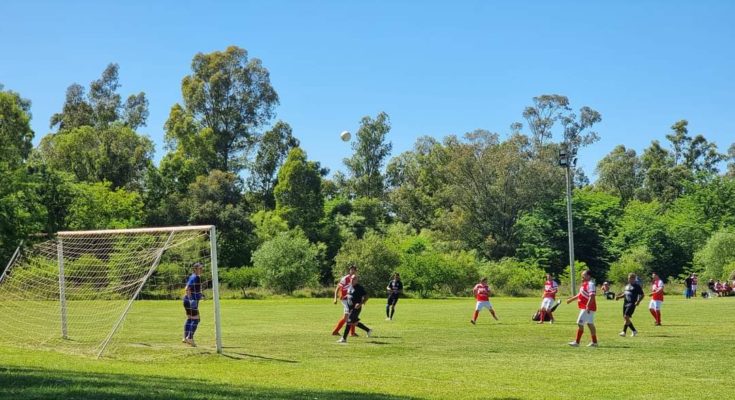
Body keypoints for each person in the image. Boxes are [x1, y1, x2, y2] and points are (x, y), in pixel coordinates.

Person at [566, 270, 598, 347]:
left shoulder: (590, 284)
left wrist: (588, 306)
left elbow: (592, 296)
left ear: (589, 276)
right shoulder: (584, 284)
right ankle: (594, 342)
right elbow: (580, 294)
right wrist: (571, 299)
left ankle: (577, 342)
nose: (582, 277)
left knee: (579, 323)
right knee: (590, 324)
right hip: (586, 307)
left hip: (587, 308)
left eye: (583, 275)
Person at [337, 275, 373, 343]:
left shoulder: (359, 288)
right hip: (350, 308)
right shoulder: (350, 286)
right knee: (354, 322)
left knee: (348, 322)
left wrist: (360, 304)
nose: (352, 280)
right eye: (351, 279)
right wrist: (344, 296)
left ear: (357, 280)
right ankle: (368, 330)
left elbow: (367, 296)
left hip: (356, 308)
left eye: (354, 279)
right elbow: (349, 295)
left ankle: (344, 338)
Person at [616, 273, 644, 337]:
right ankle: (624, 332)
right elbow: (625, 294)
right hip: (625, 303)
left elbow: (642, 295)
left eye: (631, 278)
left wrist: (638, 301)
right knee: (625, 318)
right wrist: (619, 297)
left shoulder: (637, 286)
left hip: (632, 303)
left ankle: (633, 330)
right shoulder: (627, 286)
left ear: (634, 279)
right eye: (628, 278)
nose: (629, 279)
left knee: (626, 316)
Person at [183, 262, 204, 346]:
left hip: (186, 300)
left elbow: (191, 289)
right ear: (195, 269)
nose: (201, 270)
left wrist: (200, 295)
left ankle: (185, 338)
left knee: (190, 319)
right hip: (190, 301)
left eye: (202, 268)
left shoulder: (192, 276)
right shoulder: (196, 277)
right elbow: (187, 288)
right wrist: (192, 299)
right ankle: (190, 338)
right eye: (200, 268)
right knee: (196, 319)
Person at [332, 265, 357, 336]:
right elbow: (338, 288)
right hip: (344, 299)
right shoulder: (345, 278)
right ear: (349, 270)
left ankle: (352, 333)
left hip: (351, 299)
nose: (352, 271)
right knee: (347, 315)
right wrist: (335, 298)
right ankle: (335, 331)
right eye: (351, 270)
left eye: (354, 270)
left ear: (356, 271)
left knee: (352, 314)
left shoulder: (355, 278)